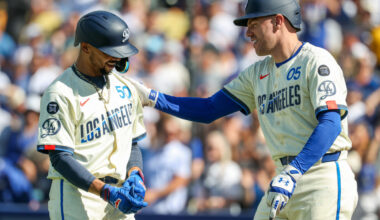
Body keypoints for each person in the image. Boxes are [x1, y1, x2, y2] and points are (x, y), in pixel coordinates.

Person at [131, 0, 358, 219]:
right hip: (283, 178)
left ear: (278, 21)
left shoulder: (316, 61)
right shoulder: (257, 73)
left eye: (254, 24)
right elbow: (209, 109)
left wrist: (295, 170)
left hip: (322, 176)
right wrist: (153, 98)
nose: (248, 33)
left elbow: (331, 122)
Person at [36, 10, 148, 220]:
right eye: (110, 51)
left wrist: (135, 173)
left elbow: (132, 143)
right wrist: (104, 191)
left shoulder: (124, 86)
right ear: (85, 47)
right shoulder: (60, 92)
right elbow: (60, 158)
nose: (117, 57)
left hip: (120, 195)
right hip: (78, 196)